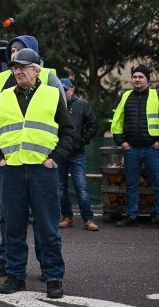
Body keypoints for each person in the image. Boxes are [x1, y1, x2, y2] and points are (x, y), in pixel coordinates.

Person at [0, 48, 74, 299]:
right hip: (11, 171)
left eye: (24, 67)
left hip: (41, 171)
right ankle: (15, 276)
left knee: (47, 228)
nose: (18, 71)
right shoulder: (4, 97)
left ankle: (53, 276)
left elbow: (68, 132)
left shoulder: (51, 94)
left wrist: (55, 159)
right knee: (13, 227)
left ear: (37, 70)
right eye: (15, 67)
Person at [111, 65, 159, 230]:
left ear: (147, 79)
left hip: (152, 149)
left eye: (140, 77)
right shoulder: (125, 97)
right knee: (131, 185)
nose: (137, 79)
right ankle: (132, 216)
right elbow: (116, 121)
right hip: (131, 149)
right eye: (135, 76)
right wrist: (121, 142)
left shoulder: (157, 97)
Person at [57, 78, 99, 231]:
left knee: (81, 187)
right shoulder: (56, 105)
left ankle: (88, 219)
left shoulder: (82, 105)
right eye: (61, 90)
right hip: (59, 154)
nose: (63, 92)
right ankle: (67, 218)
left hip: (76, 153)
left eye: (66, 90)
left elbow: (93, 124)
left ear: (72, 89)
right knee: (61, 188)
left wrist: (83, 141)